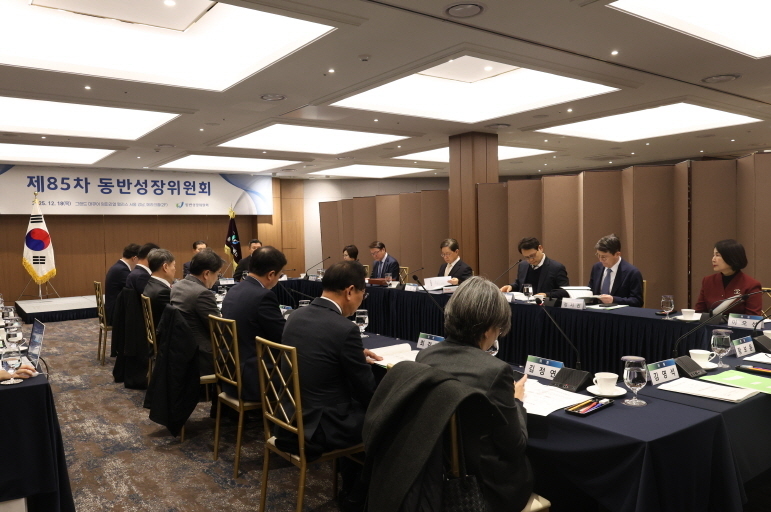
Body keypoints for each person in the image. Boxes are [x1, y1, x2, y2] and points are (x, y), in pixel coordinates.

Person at [416, 277, 533, 511]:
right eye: (499, 329)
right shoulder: (495, 371)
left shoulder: (425, 357)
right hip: (482, 490)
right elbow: (515, 445)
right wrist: (516, 400)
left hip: (433, 477)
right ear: (489, 329)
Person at [275, 260, 382, 507]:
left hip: (288, 417)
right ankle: (358, 497)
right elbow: (367, 391)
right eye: (363, 295)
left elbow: (317, 353)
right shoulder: (345, 329)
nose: (361, 301)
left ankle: (350, 488)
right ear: (350, 291)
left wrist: (352, 354)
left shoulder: (295, 316)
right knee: (385, 421)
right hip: (319, 427)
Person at [221, 246, 287, 402]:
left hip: (230, 371)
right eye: (280, 275)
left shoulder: (234, 290)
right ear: (271, 274)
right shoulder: (263, 296)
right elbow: (282, 336)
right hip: (256, 379)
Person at [170, 248, 224, 376]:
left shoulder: (178, 285)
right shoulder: (203, 293)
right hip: (202, 355)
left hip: (179, 348)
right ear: (206, 274)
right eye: (218, 274)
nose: (217, 279)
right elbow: (219, 329)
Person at [695, 239, 762, 316]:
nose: (713, 259)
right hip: (710, 324)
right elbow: (699, 313)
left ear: (731, 257)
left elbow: (753, 317)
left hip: (739, 324)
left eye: (718, 255)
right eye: (713, 255)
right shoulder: (708, 281)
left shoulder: (751, 285)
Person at [587, 234, 643, 307]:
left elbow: (637, 301)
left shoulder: (632, 273)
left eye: (604, 257)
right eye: (598, 255)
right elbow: (591, 291)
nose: (600, 260)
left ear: (617, 254)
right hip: (596, 311)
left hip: (619, 313)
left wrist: (614, 300)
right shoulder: (596, 268)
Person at [501, 237, 569, 296]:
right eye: (527, 257)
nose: (530, 260)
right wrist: (511, 287)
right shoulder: (523, 265)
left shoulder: (556, 268)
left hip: (545, 306)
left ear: (540, 248)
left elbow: (565, 292)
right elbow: (519, 284)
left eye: (532, 255)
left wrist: (546, 295)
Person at [105, 243, 140, 325]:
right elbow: (135, 289)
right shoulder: (122, 270)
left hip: (112, 308)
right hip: (115, 313)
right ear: (134, 258)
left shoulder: (119, 266)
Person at [143, 248, 176, 329]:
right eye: (174, 265)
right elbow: (174, 319)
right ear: (165, 267)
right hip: (164, 334)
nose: (175, 269)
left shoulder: (150, 283)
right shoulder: (162, 292)